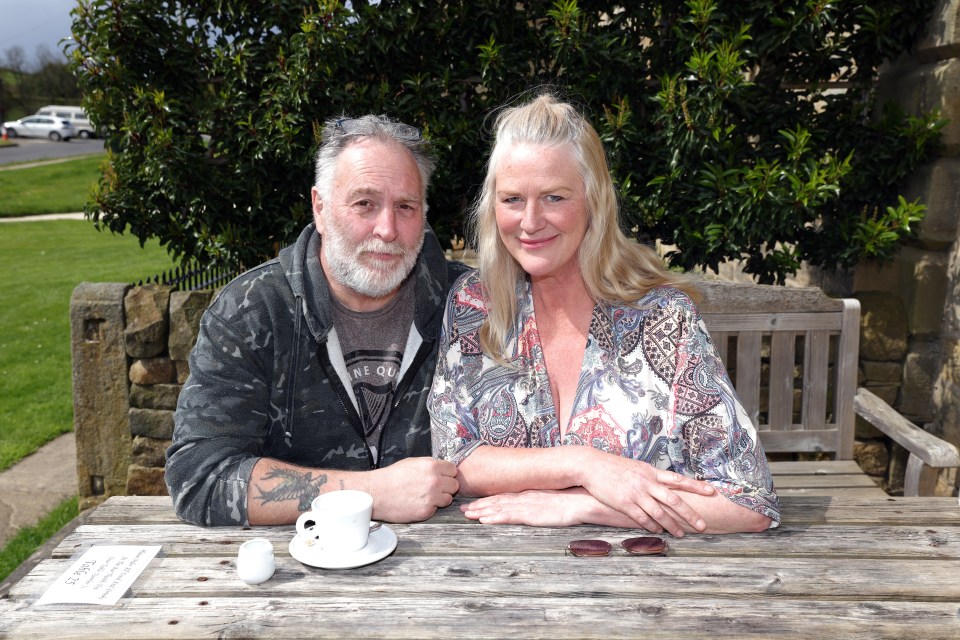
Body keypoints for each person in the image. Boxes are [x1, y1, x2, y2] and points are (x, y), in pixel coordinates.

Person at [428, 93, 780, 536]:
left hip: (639, 587)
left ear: (594, 200)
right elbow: (453, 457)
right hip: (493, 582)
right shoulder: (473, 306)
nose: (530, 221)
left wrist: (587, 505)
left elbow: (747, 502)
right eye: (513, 199)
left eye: (554, 197)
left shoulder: (662, 319)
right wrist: (584, 464)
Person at [166, 114, 466, 526]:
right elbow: (199, 478)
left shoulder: (469, 306)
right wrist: (371, 493)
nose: (388, 229)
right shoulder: (253, 311)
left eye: (406, 207)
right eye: (365, 203)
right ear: (320, 208)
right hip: (294, 576)